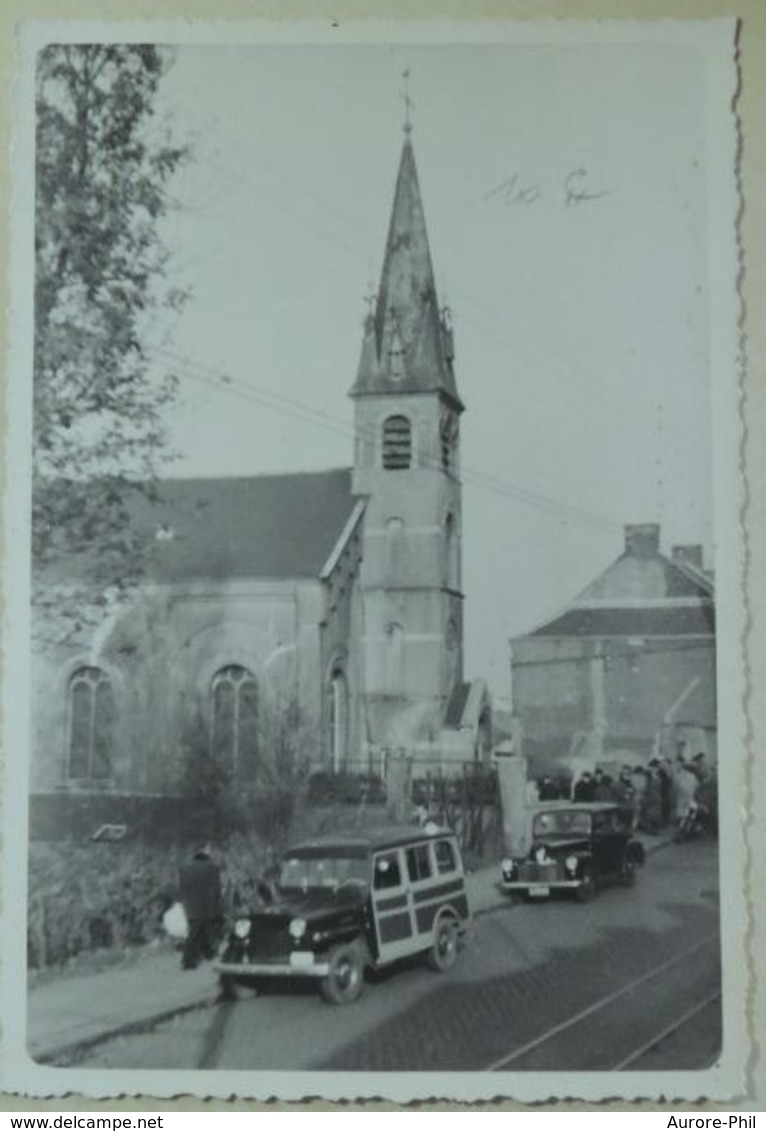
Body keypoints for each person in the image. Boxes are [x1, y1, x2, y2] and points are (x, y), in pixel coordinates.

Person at [178, 846, 224, 971]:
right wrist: (217, 901)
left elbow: (181, 887)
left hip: (189, 904)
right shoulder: (212, 867)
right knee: (196, 932)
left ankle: (209, 953)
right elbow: (216, 887)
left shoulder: (184, 867)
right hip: (205, 905)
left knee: (198, 929)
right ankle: (187, 961)